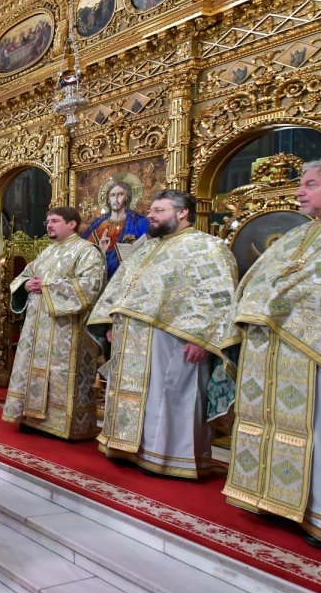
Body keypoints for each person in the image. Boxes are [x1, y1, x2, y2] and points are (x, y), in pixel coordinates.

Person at [224, 157, 321, 549]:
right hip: (274, 352)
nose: (300, 190)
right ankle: (274, 499)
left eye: (311, 183)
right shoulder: (296, 236)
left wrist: (284, 309)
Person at [87, 190, 238, 478]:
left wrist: (204, 338)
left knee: (172, 395)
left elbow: (219, 296)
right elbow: (121, 286)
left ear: (182, 213)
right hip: (132, 335)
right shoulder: (146, 247)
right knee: (137, 395)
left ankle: (172, 459)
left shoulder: (208, 247)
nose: (151, 216)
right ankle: (129, 447)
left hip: (177, 338)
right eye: (152, 211)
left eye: (159, 210)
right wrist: (110, 321)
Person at [2, 207, 107, 439]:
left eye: (55, 221)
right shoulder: (47, 252)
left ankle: (61, 425)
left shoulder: (87, 252)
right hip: (36, 328)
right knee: (34, 370)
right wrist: (26, 284)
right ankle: (32, 417)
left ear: (72, 224)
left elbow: (90, 287)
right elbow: (25, 276)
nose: (49, 225)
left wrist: (47, 284)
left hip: (67, 330)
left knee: (60, 373)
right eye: (47, 221)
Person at [82, 181, 149, 278]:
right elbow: (85, 252)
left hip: (128, 276)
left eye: (120, 195)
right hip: (99, 276)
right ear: (108, 199)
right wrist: (101, 251)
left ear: (126, 197)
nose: (116, 199)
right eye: (112, 195)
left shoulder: (139, 221)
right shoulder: (97, 224)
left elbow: (148, 248)